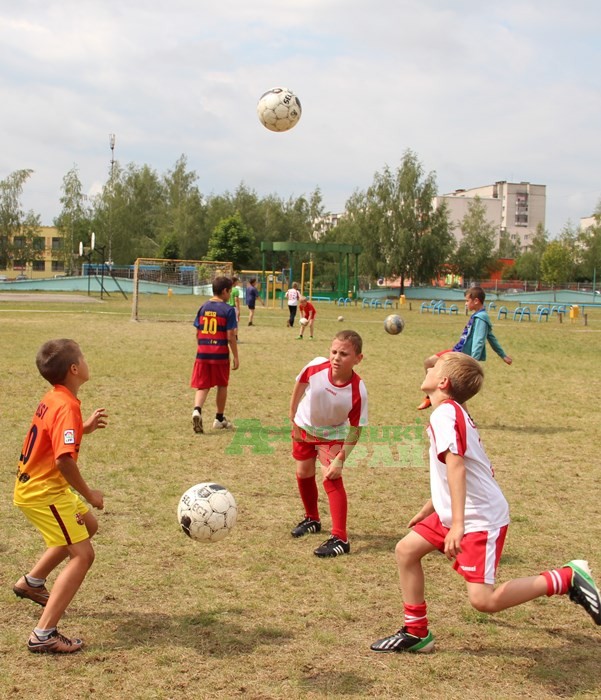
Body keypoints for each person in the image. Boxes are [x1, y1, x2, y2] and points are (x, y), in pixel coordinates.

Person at [371, 352, 601, 654]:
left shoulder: (444, 414)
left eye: (435, 368)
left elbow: (457, 467)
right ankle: (416, 633)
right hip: (455, 512)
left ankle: (566, 578)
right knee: (406, 550)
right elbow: (453, 469)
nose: (427, 368)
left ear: (443, 382)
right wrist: (431, 507)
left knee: (483, 600)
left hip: (477, 517)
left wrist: (458, 526)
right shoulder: (452, 409)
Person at [13, 338, 108, 654]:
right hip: (45, 491)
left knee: (88, 526)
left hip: (39, 486)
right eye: (83, 356)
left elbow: (58, 436)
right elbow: (63, 460)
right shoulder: (67, 405)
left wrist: (84, 428)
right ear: (74, 368)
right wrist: (90, 493)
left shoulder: (56, 398)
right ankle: (44, 633)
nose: (86, 360)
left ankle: (33, 582)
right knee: (83, 554)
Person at [289, 330, 368, 557]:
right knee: (303, 473)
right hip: (304, 426)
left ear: (358, 359)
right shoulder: (316, 367)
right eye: (334, 352)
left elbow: (356, 430)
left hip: (333, 434)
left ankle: (340, 538)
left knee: (331, 477)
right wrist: (292, 412)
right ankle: (312, 518)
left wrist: (341, 459)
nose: (336, 357)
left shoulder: (358, 390)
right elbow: (300, 383)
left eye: (344, 354)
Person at [417, 286, 512, 410]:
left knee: (456, 390)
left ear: (476, 301)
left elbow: (479, 341)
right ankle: (430, 396)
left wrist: (472, 362)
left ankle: (465, 418)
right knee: (429, 362)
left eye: (467, 301)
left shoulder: (481, 318)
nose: (466, 303)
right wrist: (503, 355)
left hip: (462, 356)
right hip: (457, 350)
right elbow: (492, 338)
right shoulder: (478, 315)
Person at [191, 276, 239, 434]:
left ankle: (197, 410)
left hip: (203, 352)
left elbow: (198, 333)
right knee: (222, 384)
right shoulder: (228, 310)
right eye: (229, 291)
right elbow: (230, 336)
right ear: (225, 291)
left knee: (202, 385)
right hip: (219, 353)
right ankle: (219, 418)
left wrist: (202, 347)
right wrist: (236, 356)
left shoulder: (203, 307)